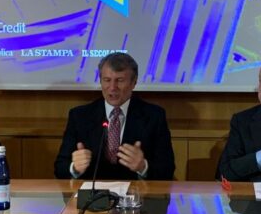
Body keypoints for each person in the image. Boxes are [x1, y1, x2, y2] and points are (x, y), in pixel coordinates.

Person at [54, 52, 175, 180]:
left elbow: (167, 170)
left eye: (120, 80)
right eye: (107, 80)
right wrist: (74, 168)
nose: (112, 87)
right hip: (92, 191)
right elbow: (60, 168)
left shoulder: (154, 116)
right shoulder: (80, 116)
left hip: (136, 191)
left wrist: (142, 166)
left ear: (134, 82)